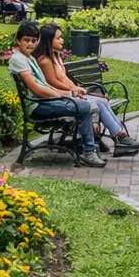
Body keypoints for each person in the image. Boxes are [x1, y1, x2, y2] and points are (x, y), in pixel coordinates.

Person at [35, 24, 139, 156]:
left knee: (102, 101)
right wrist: (73, 90)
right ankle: (120, 137)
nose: (62, 40)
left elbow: (63, 78)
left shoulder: (55, 57)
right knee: (98, 103)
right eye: (58, 38)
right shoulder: (45, 60)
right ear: (48, 40)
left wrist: (75, 88)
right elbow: (53, 82)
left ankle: (121, 136)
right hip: (60, 98)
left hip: (68, 95)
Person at [7, 22, 106, 168]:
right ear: (18, 40)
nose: (30, 44)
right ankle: (88, 151)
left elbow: (44, 85)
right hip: (37, 107)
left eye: (34, 41)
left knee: (87, 105)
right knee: (86, 107)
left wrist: (66, 93)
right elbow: (37, 89)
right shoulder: (18, 59)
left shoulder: (29, 58)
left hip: (45, 102)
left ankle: (89, 147)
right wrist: (61, 95)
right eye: (26, 40)